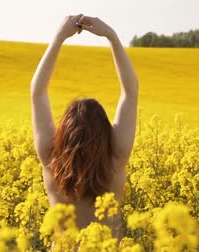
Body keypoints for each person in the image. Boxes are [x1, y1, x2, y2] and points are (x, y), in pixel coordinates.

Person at [30, 14, 139, 249]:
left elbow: (37, 92)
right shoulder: (116, 158)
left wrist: (59, 37)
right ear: (105, 130)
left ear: (64, 131)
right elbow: (130, 93)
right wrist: (112, 37)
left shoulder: (51, 158)